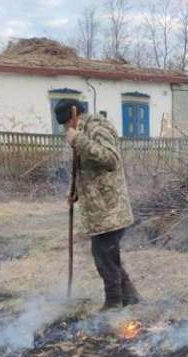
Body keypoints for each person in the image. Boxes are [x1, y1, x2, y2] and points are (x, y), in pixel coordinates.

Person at [54, 98, 141, 310]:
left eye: (65, 125)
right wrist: (74, 192)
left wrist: (79, 140)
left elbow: (111, 159)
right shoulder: (82, 132)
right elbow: (85, 168)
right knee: (107, 255)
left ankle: (113, 303)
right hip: (99, 209)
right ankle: (130, 297)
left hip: (111, 209)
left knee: (104, 256)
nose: (65, 130)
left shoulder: (97, 128)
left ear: (73, 118)